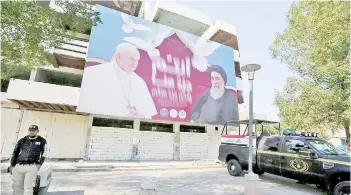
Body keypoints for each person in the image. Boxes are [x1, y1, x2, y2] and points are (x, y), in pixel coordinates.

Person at [77, 42, 157, 119]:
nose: (135, 63)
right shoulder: (94, 72)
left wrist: (142, 117)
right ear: (118, 56)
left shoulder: (140, 82)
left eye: (137, 60)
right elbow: (84, 106)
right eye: (131, 58)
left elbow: (148, 116)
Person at [7, 125, 47, 195]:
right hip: (19, 166)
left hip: (31, 166)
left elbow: (44, 154)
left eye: (33, 130)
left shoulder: (42, 141)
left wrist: (39, 165)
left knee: (28, 188)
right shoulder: (22, 140)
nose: (31, 132)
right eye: (30, 130)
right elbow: (15, 153)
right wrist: (12, 165)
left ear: (37, 131)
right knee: (17, 188)